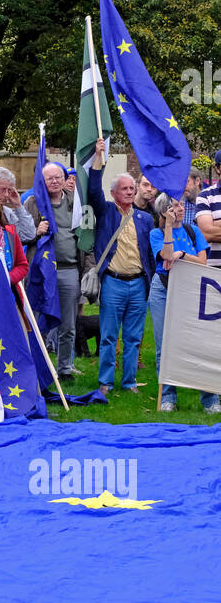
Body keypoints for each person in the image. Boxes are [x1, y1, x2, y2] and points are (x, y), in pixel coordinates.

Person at [87, 138, 154, 396]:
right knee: (108, 336)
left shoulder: (145, 219)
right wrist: (98, 158)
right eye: (124, 188)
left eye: (132, 188)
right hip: (113, 282)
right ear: (114, 192)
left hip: (138, 283)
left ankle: (129, 383)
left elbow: (149, 253)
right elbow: (93, 190)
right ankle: (105, 381)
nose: (129, 191)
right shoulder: (105, 212)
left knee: (134, 338)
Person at [148, 193, 218, 414]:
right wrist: (168, 228)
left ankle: (209, 398)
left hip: (190, 288)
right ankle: (168, 396)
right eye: (172, 206)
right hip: (163, 288)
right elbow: (165, 255)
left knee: (198, 341)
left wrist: (182, 254)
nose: (178, 209)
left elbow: (203, 261)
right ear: (163, 212)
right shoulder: (155, 233)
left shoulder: (192, 230)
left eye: (179, 205)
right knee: (164, 344)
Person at [24, 163, 82, 380]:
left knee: (68, 323)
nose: (55, 181)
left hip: (69, 270)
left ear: (64, 178)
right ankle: (36, 367)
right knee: (39, 321)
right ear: (42, 181)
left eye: (58, 177)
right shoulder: (33, 202)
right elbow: (21, 233)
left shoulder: (75, 202)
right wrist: (35, 233)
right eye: (49, 178)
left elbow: (84, 237)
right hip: (42, 271)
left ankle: (65, 368)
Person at [0, 167, 37, 245]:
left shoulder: (8, 213)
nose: (6, 195)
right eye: (2, 189)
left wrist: (18, 205)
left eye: (9, 190)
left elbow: (28, 235)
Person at [195, 151, 221, 268]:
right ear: (218, 168)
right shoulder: (205, 196)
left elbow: (210, 230)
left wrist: (215, 223)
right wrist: (209, 228)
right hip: (214, 270)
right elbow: (206, 233)